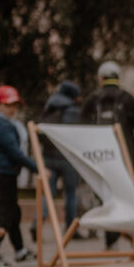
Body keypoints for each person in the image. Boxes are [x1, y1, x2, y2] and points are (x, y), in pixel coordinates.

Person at [80, 61, 134, 249]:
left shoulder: (92, 100)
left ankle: (111, 238)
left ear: (101, 79)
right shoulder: (128, 99)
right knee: (132, 193)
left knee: (108, 196)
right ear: (118, 77)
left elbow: (81, 129)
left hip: (102, 157)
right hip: (127, 156)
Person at [0, 85, 39, 267]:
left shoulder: (2, 124)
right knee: (5, 214)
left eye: (15, 105)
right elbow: (15, 153)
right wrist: (38, 168)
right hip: (3, 173)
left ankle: (19, 251)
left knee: (13, 213)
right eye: (8, 105)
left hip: (5, 172)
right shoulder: (1, 125)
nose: (13, 109)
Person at [36, 81, 84, 238]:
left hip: (48, 157)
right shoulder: (72, 110)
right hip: (67, 159)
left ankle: (37, 224)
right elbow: (76, 134)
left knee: (47, 194)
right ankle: (71, 229)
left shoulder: (49, 106)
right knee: (71, 194)